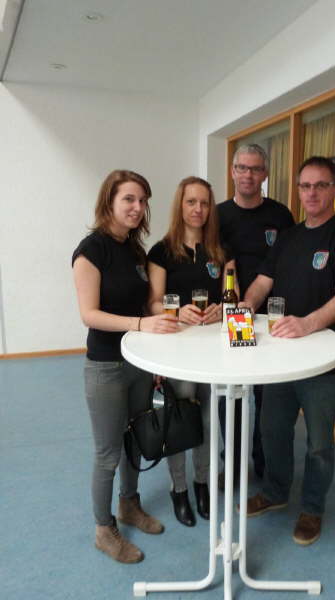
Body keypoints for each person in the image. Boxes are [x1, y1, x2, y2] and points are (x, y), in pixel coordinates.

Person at [240, 156, 335, 546]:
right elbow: (263, 281)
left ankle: (312, 509)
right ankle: (275, 492)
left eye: (320, 185)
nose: (311, 193)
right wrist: (246, 306)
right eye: (305, 186)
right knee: (272, 430)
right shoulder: (289, 237)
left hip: (325, 365)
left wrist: (306, 324)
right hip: (281, 358)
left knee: (318, 443)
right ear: (298, 190)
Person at [72, 170, 179, 564]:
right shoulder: (91, 250)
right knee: (108, 452)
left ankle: (129, 505)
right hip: (105, 366)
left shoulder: (135, 250)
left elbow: (143, 305)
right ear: (109, 202)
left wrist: (154, 354)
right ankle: (104, 529)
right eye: (129, 199)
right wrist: (140, 325)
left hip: (138, 363)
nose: (137, 208)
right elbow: (89, 314)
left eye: (143, 201)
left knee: (134, 439)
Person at [148, 176, 237, 526]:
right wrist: (176, 311)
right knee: (179, 420)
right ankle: (179, 488)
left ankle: (202, 484)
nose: (198, 209)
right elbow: (153, 303)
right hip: (177, 349)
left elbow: (233, 298)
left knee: (206, 421)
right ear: (180, 205)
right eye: (191, 202)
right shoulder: (162, 251)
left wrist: (222, 309)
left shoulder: (222, 250)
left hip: (213, 351)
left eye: (204, 203)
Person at [217, 143, 295, 484]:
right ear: (232, 171)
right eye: (242, 168)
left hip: (271, 319)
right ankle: (232, 464)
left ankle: (264, 461)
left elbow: (287, 264)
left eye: (255, 168)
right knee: (230, 396)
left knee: (268, 398)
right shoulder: (217, 216)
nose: (248, 175)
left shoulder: (281, 215)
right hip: (231, 316)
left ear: (265, 173)